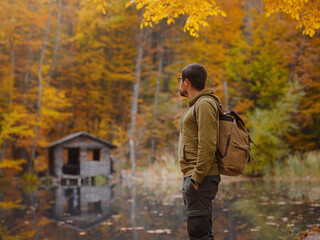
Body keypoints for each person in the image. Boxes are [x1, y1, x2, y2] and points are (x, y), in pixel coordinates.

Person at [178, 63, 221, 240]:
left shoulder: (204, 104)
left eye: (180, 80)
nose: (179, 83)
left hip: (200, 178)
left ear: (186, 81)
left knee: (199, 234)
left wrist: (196, 178)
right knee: (200, 232)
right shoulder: (194, 104)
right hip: (195, 176)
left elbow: (208, 144)